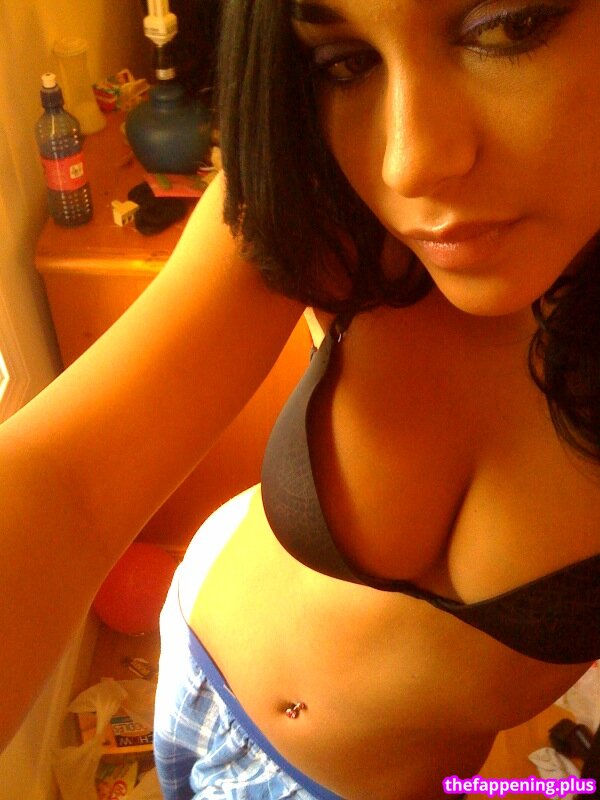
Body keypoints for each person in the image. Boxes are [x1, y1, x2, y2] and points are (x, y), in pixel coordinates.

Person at [1, 0, 599, 798]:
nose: (407, 165)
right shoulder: (327, 200)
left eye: (507, 27)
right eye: (344, 62)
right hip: (197, 660)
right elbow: (68, 479)